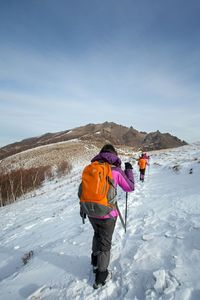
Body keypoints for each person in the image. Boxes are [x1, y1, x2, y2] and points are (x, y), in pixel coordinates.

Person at [80, 144, 135, 288]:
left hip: (90, 211)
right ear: (114, 155)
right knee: (105, 243)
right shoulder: (116, 170)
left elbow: (83, 190)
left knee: (96, 234)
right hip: (107, 213)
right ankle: (101, 276)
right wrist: (129, 170)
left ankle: (94, 263)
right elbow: (130, 187)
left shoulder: (91, 168)